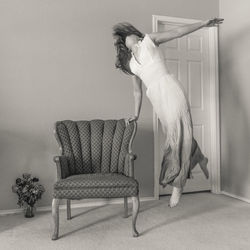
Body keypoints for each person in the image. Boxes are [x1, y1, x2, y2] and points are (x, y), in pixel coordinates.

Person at [112, 17, 223, 207]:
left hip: (171, 88)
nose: (128, 38)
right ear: (123, 44)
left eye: (128, 33)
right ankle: (198, 157)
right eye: (124, 37)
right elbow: (137, 91)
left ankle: (178, 183)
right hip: (156, 98)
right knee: (176, 135)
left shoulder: (149, 41)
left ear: (134, 34)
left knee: (178, 135)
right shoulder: (131, 65)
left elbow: (178, 32)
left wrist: (203, 24)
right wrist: (136, 114)